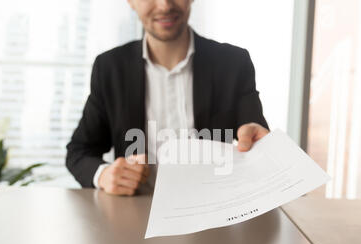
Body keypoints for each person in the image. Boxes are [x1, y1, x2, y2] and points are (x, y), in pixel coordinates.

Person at [66, 0, 270, 195]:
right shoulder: (110, 68)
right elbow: (79, 152)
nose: (165, 5)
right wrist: (104, 175)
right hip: (136, 215)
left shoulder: (233, 63)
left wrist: (258, 141)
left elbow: (256, 137)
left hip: (215, 213)